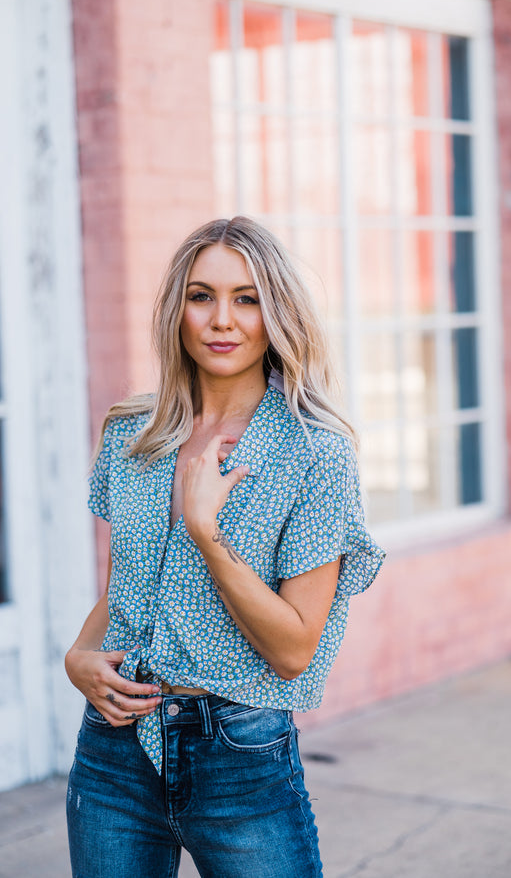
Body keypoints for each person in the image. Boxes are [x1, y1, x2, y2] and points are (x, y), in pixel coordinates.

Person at [65, 216, 385, 878]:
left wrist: (209, 536)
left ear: (276, 315)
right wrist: (78, 657)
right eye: (202, 295)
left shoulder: (313, 453)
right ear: (177, 310)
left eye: (247, 299)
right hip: (113, 752)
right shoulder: (132, 433)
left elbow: (295, 649)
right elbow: (122, 594)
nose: (222, 320)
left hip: (238, 755)